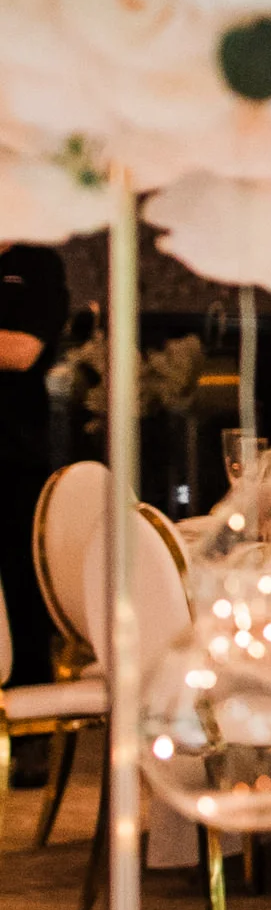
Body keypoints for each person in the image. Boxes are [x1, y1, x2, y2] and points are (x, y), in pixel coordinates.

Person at [0, 242, 73, 695]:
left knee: (20, 596)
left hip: (12, 456)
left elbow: (22, 350)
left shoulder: (36, 263)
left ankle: (30, 747)